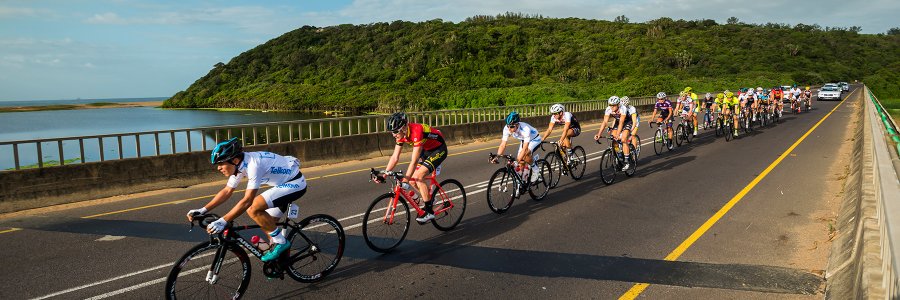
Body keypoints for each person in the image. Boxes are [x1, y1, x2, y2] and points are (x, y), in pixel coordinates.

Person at [187, 137, 307, 262]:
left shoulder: (253, 165)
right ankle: (281, 261)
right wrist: (202, 210)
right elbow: (227, 191)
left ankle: (281, 243)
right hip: (280, 185)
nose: (219, 168)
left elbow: (247, 200)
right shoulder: (239, 165)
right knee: (267, 224)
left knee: (253, 209)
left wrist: (223, 221)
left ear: (234, 160)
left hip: (295, 183)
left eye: (221, 163)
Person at [380, 112, 448, 223]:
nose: (393, 135)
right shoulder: (401, 135)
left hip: (438, 149)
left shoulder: (416, 131)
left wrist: (405, 180)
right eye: (392, 132)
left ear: (404, 128)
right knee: (412, 181)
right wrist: (384, 174)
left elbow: (414, 161)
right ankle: (430, 200)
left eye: (396, 131)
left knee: (418, 176)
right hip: (426, 150)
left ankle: (429, 212)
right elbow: (394, 157)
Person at [492, 111, 542, 183]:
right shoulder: (507, 128)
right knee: (521, 163)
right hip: (523, 140)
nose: (509, 129)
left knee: (524, 156)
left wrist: (517, 161)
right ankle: (523, 181)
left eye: (512, 126)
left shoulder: (525, 129)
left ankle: (536, 170)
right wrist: (497, 156)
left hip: (534, 139)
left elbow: (525, 149)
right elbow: (503, 144)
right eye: (508, 126)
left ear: (517, 124)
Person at [595, 96, 635, 170]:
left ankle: (626, 161)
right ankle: (619, 156)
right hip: (617, 122)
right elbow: (605, 122)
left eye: (613, 105)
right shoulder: (608, 109)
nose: (612, 107)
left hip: (627, 122)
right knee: (614, 140)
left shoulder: (623, 108)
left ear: (618, 104)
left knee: (623, 139)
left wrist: (618, 134)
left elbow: (621, 122)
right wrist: (599, 134)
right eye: (610, 105)